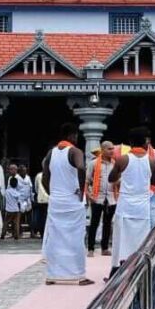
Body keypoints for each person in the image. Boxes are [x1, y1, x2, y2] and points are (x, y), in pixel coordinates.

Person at [40, 123, 94, 286]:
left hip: (56, 201)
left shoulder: (52, 153)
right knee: (75, 238)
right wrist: (81, 189)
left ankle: (52, 275)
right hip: (72, 201)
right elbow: (81, 167)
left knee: (55, 238)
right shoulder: (75, 151)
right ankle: (79, 275)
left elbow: (44, 176)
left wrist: (52, 192)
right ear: (72, 135)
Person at [107, 128, 155, 277]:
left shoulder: (123, 159)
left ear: (131, 142)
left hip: (125, 205)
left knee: (120, 238)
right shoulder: (152, 161)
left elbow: (111, 178)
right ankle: (140, 269)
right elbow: (154, 181)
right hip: (142, 206)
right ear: (145, 142)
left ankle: (116, 269)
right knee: (141, 238)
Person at [86, 140, 117, 257]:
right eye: (109, 149)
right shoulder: (93, 163)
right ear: (103, 150)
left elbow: (118, 179)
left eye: (113, 148)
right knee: (94, 223)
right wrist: (89, 195)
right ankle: (90, 248)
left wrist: (118, 182)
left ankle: (105, 248)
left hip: (111, 198)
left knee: (107, 223)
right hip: (97, 197)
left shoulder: (115, 164)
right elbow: (87, 181)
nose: (112, 151)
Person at [3, 176, 24, 240]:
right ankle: (16, 235)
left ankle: (2, 234)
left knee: (6, 222)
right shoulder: (17, 193)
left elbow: (4, 197)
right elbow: (19, 201)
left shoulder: (7, 191)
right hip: (16, 210)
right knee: (16, 223)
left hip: (8, 209)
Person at [34, 169, 49, 238]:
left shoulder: (38, 175)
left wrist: (39, 194)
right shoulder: (50, 175)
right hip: (49, 199)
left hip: (40, 199)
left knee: (41, 217)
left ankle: (42, 232)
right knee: (47, 217)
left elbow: (36, 187)